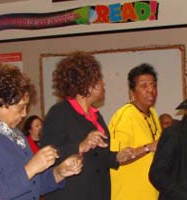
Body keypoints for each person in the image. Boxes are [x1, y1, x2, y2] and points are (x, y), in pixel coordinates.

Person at [0, 64, 83, 200]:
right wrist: (30, 168)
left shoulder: (16, 135)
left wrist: (59, 172)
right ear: (0, 102)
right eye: (21, 107)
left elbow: (34, 186)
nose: (24, 114)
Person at [40, 51, 135, 200]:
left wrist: (117, 156)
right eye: (99, 79)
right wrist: (80, 146)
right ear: (87, 84)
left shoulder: (96, 116)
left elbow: (98, 156)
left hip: (98, 192)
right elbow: (46, 155)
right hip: (71, 194)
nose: (103, 83)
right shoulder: (59, 112)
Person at [108, 63, 162, 200]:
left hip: (151, 194)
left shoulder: (153, 114)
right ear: (132, 92)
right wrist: (148, 148)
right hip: (128, 195)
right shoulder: (125, 115)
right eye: (144, 86)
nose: (151, 90)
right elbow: (116, 158)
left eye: (153, 85)